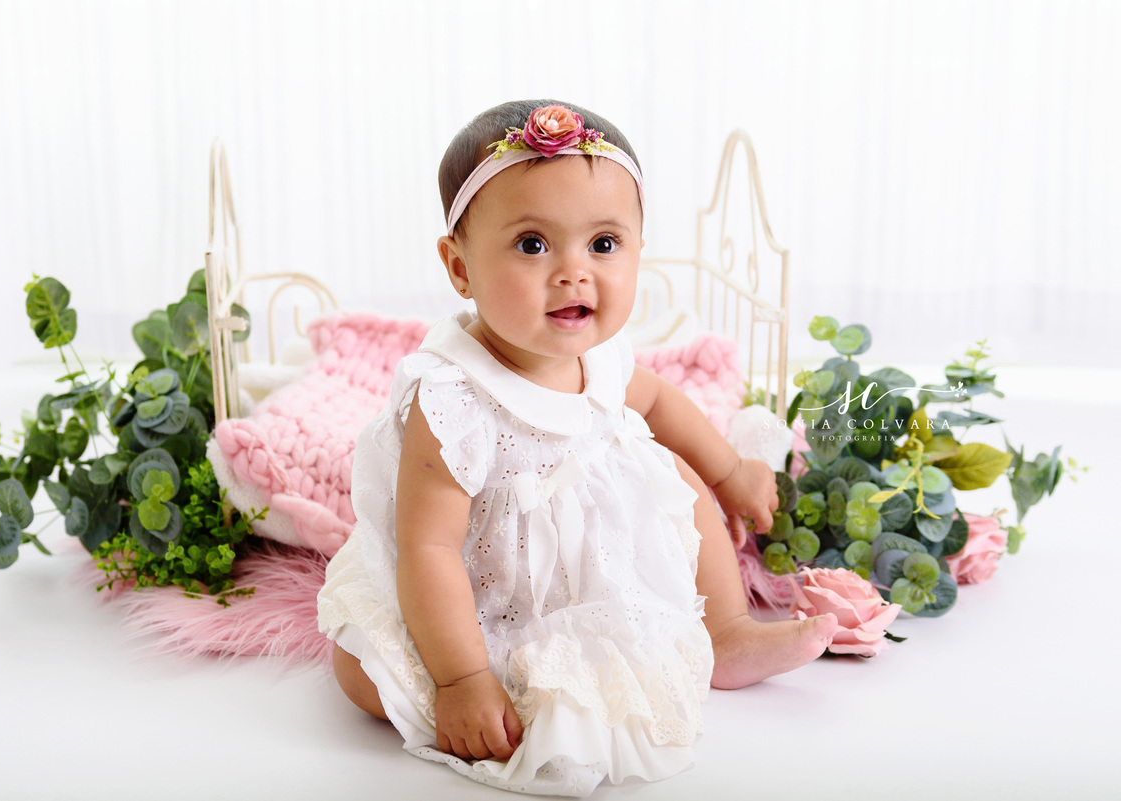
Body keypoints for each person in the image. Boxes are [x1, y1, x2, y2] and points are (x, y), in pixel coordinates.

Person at [316, 99, 838, 796]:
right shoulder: (452, 399)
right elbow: (429, 548)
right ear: (459, 267)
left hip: (595, 561)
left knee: (674, 472)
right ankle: (478, 672)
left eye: (603, 244)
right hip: (483, 582)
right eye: (532, 244)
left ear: (638, 249)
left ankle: (732, 630)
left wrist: (731, 468)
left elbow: (658, 401)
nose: (574, 272)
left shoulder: (604, 355)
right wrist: (461, 678)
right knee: (363, 675)